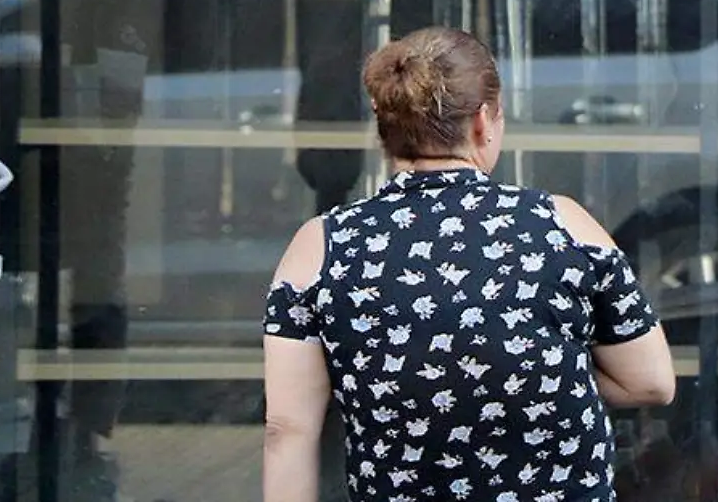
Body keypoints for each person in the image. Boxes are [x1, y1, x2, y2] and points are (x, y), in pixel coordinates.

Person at [261, 26, 675, 502]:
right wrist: (529, 373)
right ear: (483, 121)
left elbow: (287, 430)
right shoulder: (564, 225)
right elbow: (652, 383)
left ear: (385, 128)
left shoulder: (320, 247)